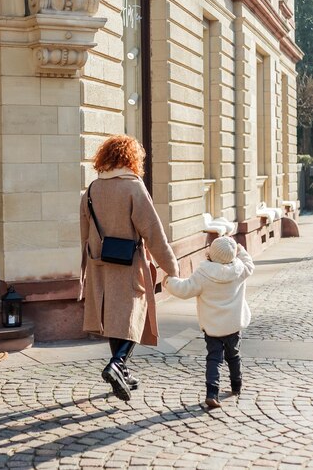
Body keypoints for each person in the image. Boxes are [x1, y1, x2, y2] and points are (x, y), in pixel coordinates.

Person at [79, 134, 179, 402]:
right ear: (131, 159)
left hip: (100, 263)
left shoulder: (92, 189)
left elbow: (85, 231)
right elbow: (153, 232)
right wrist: (172, 266)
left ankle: (122, 372)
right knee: (135, 315)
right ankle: (116, 364)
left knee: (115, 319)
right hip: (129, 263)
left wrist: (87, 266)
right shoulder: (134, 187)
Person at [163, 236, 254, 408]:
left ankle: (212, 393)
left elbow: (185, 289)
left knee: (214, 359)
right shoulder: (240, 270)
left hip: (213, 328)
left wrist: (169, 282)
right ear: (233, 255)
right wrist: (241, 251)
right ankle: (237, 385)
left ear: (210, 253)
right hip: (233, 326)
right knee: (233, 356)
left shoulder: (203, 273)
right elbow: (249, 264)